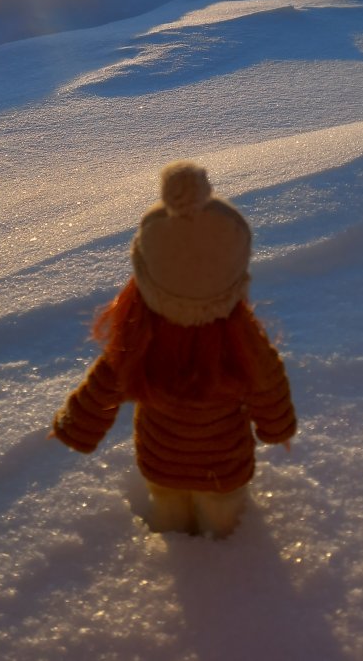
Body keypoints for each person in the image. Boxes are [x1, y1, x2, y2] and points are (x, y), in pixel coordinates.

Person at [52, 160, 296, 538]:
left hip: (160, 464)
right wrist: (276, 428)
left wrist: (77, 426)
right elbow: (270, 386)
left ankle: (179, 551)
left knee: (169, 518)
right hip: (223, 469)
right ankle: (224, 567)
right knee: (223, 527)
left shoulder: (136, 342)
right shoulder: (244, 342)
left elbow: (103, 385)